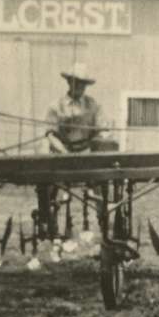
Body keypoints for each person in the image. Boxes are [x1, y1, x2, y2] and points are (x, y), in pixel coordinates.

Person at [36, 62, 104, 237]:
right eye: (76, 82)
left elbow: (100, 132)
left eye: (83, 83)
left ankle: (103, 220)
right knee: (45, 179)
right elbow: (50, 134)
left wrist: (91, 149)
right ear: (69, 83)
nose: (79, 87)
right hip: (62, 152)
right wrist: (64, 153)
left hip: (87, 153)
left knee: (103, 182)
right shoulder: (55, 106)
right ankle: (48, 222)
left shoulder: (93, 105)